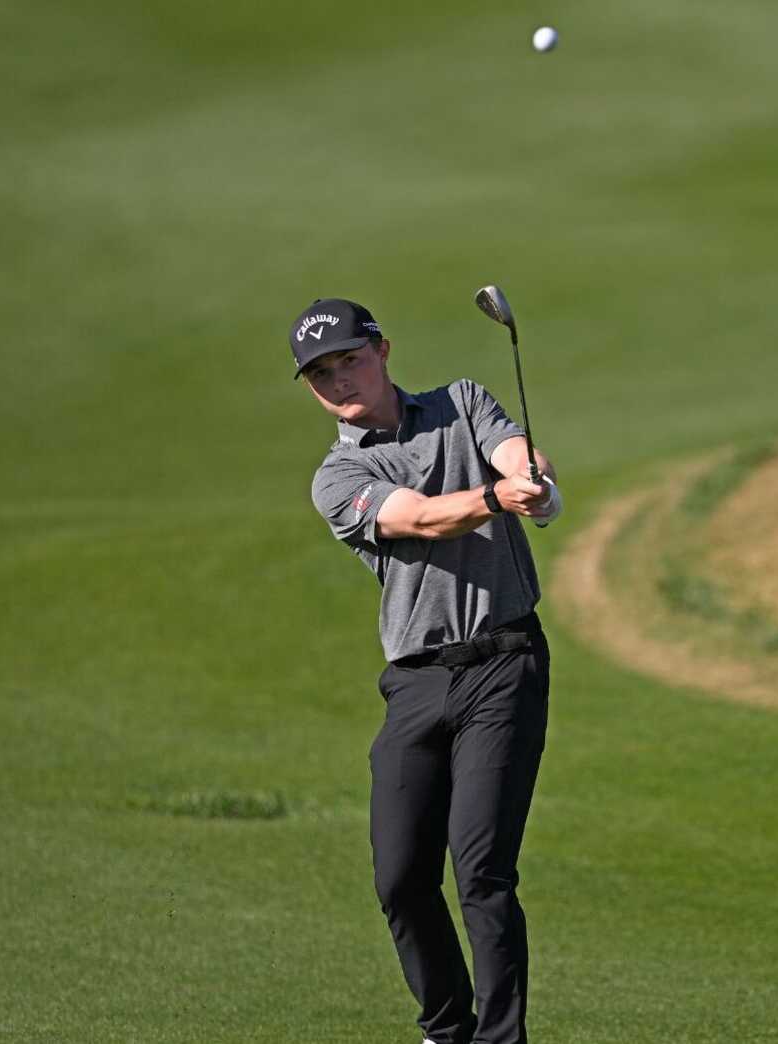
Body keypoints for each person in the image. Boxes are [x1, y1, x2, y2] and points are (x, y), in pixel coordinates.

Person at [290, 297, 562, 1044]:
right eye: (320, 372)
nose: (338, 378)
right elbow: (416, 517)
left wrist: (532, 480)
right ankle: (447, 1030)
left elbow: (516, 455)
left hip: (504, 662)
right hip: (415, 681)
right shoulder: (337, 475)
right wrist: (495, 498)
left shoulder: (461, 402)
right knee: (401, 880)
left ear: (381, 350)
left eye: (348, 358)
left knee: (481, 870)